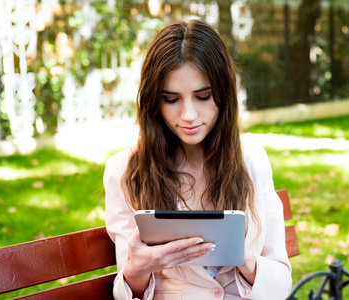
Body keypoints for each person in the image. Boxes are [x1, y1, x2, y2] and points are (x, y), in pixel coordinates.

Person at [103, 19, 292, 300]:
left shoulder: (251, 161)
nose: (189, 115)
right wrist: (136, 270)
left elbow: (280, 282)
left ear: (224, 96)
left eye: (203, 96)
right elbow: (128, 288)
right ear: (154, 101)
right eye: (171, 99)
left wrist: (245, 259)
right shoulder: (126, 171)